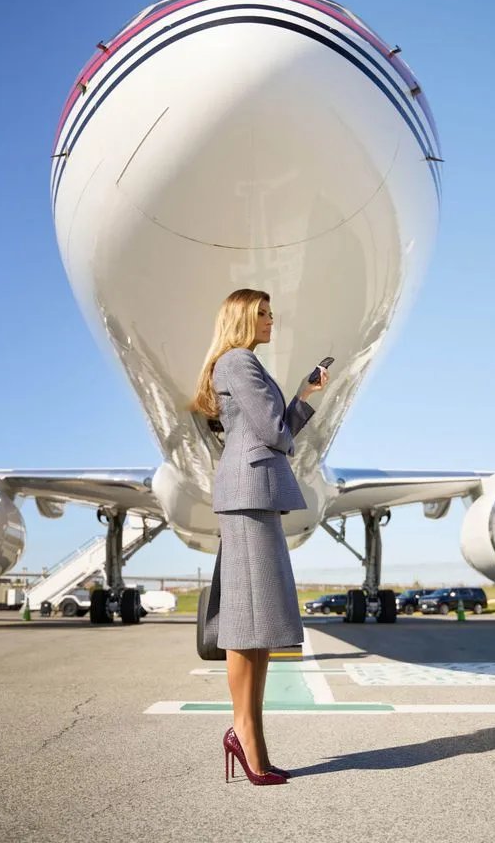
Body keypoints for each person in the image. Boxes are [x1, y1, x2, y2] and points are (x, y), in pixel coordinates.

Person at [190, 288, 329, 785]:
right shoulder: (237, 362)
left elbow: (274, 429)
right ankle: (246, 735)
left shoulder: (244, 364)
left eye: (271, 313)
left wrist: (304, 396)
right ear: (243, 319)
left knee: (260, 625)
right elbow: (273, 434)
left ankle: (249, 736)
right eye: (263, 314)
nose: (272, 320)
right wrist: (287, 418)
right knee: (245, 624)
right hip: (248, 495)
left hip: (256, 495)